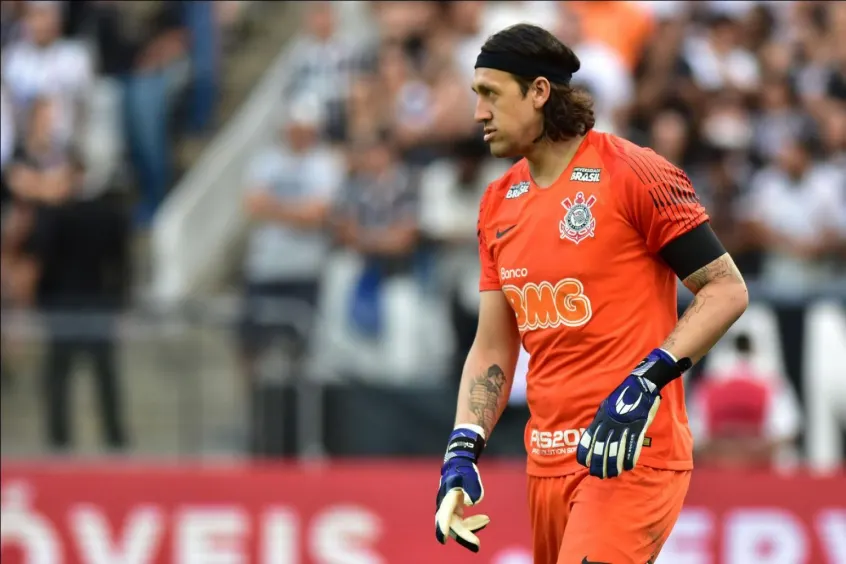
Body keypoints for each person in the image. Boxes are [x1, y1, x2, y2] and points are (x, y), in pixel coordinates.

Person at [433, 24, 749, 564]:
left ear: (538, 91)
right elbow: (491, 347)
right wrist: (462, 448)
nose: (479, 112)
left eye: (490, 94)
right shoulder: (496, 204)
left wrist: (645, 382)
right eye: (475, 96)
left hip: (630, 453)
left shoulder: (634, 173)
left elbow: (725, 288)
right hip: (547, 464)